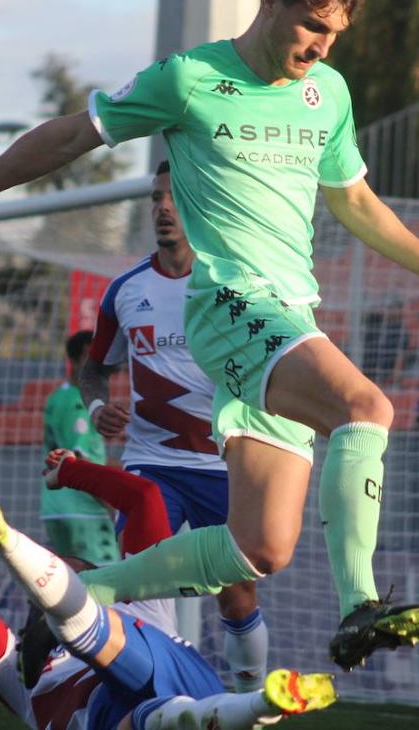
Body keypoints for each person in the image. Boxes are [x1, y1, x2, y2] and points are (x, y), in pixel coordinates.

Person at [0, 0, 419, 670]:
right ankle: (360, 605)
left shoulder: (328, 93)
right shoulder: (189, 79)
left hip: (291, 318)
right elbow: (71, 136)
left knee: (260, 548)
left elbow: (353, 200)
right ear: (270, 0)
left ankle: (79, 595)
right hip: (230, 305)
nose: (322, 46)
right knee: (364, 407)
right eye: (313, 25)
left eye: (336, 34)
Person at [0, 444, 336, 729]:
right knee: (154, 709)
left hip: (151, 692)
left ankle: (9, 543)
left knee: (130, 688)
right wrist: (69, 472)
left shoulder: (20, 676)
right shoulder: (24, 666)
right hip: (185, 689)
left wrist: (70, 471)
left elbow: (145, 496)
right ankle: (256, 707)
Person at [79, 160, 267, 691]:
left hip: (221, 465)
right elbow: (93, 369)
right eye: (156, 197)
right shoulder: (125, 290)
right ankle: (155, 700)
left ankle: (251, 701)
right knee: (143, 589)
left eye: (175, 197)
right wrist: (98, 411)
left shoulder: (232, 285)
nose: (163, 207)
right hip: (150, 465)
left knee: (236, 595)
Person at [41, 330, 119, 566]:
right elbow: (80, 463)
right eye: (89, 356)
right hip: (84, 511)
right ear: (74, 362)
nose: (97, 363)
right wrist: (113, 503)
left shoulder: (58, 397)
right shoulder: (79, 403)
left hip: (55, 507)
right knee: (103, 586)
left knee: (72, 587)